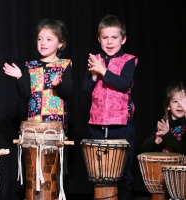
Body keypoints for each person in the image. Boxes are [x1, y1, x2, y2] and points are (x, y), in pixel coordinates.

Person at [3, 19, 72, 199]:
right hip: (34, 127)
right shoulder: (31, 66)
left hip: (54, 128)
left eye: (49, 39)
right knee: (34, 171)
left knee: (52, 172)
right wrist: (19, 77)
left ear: (60, 43)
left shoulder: (64, 65)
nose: (43, 43)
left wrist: (58, 85)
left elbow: (67, 92)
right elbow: (25, 93)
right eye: (40, 39)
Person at [83, 15, 137, 200]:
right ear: (99, 39)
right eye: (105, 37)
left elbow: (124, 83)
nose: (109, 41)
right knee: (99, 174)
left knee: (124, 175)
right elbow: (86, 87)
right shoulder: (95, 59)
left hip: (122, 124)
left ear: (123, 39)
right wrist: (94, 74)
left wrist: (103, 71)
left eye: (114, 37)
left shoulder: (129, 60)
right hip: (97, 124)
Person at [141, 82, 186, 155]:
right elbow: (143, 149)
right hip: (165, 166)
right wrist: (155, 141)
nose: (179, 105)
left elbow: (183, 150)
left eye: (183, 102)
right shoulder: (164, 125)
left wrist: (167, 134)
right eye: (175, 101)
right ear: (168, 106)